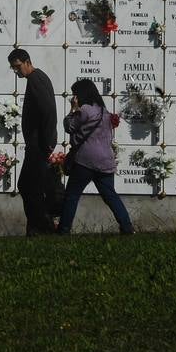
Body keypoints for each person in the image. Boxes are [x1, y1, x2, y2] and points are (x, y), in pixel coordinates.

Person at [59, 79, 134, 235]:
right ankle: (127, 229)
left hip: (85, 161)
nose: (74, 97)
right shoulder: (105, 112)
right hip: (105, 162)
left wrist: (72, 110)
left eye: (75, 94)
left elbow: (69, 126)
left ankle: (63, 230)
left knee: (72, 196)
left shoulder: (85, 110)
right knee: (111, 196)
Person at [8, 49, 63, 235]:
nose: (16, 71)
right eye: (13, 68)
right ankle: (37, 226)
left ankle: (41, 225)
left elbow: (48, 111)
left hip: (39, 145)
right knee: (32, 186)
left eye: (17, 67)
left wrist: (47, 143)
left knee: (27, 185)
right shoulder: (38, 78)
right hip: (38, 144)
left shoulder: (35, 80)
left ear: (27, 61)